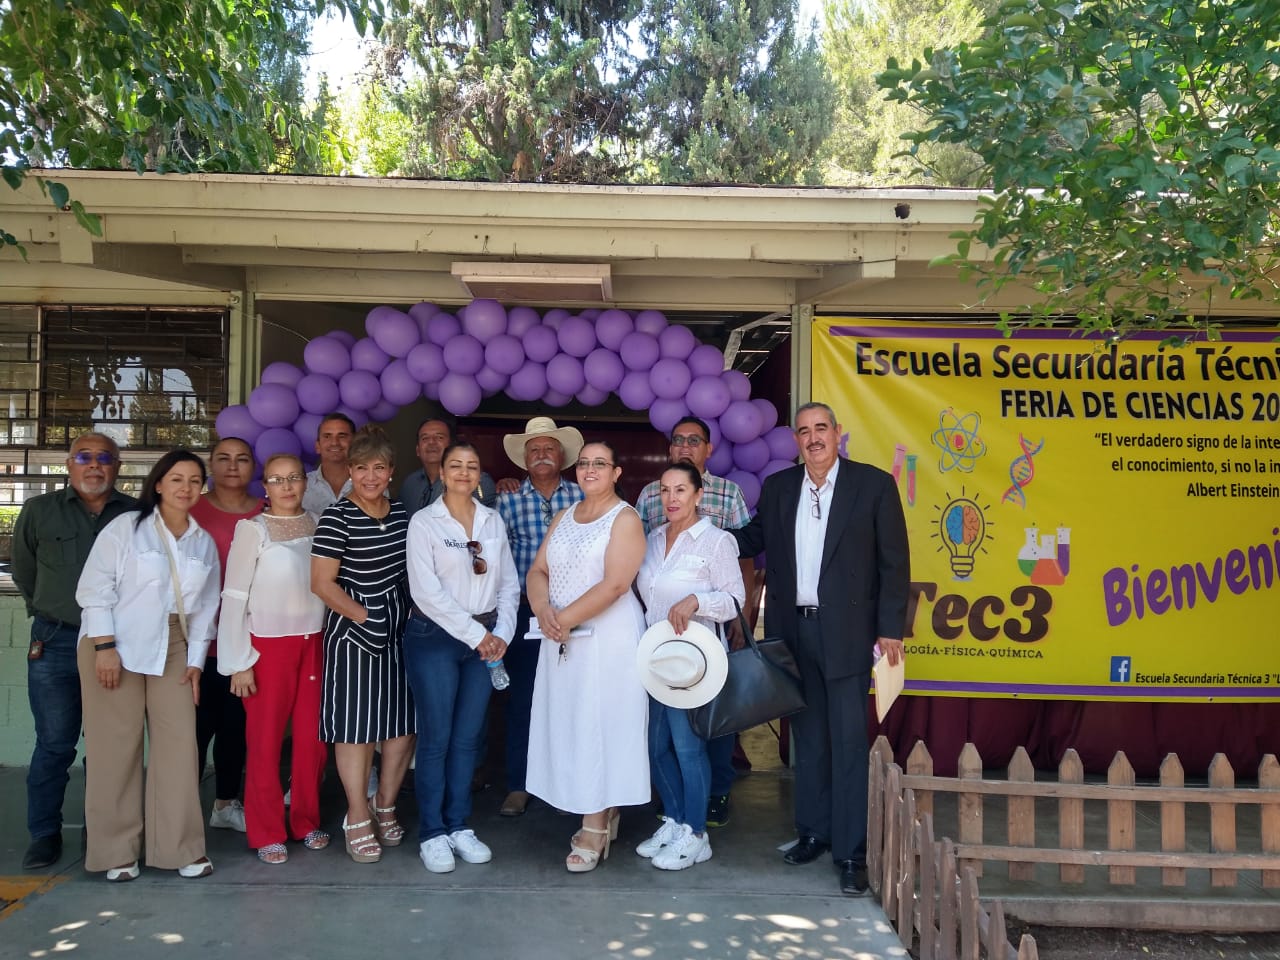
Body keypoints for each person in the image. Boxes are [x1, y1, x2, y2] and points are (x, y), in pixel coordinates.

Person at [731, 402, 909, 897]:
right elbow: (753, 538)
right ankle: (813, 832)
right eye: (804, 431)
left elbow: (895, 563)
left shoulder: (872, 486)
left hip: (849, 632)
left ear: (838, 434)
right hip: (794, 631)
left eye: (821, 429)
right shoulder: (780, 488)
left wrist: (891, 628)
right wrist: (701, 532)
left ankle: (851, 853)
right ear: (795, 441)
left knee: (848, 743)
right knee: (807, 740)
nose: (813, 438)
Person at [76, 449, 221, 881]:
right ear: (158, 483)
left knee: (180, 747)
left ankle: (180, 848)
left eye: (195, 481)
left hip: (174, 646)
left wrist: (196, 663)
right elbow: (95, 589)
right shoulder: (126, 529)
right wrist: (104, 645)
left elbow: (206, 610)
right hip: (116, 642)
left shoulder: (202, 541)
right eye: (177, 479)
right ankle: (116, 852)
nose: (186, 488)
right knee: (115, 750)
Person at [12, 432, 136, 870]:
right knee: (55, 745)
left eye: (105, 458)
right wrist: (48, 611)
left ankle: (99, 832)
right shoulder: (39, 511)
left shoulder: (136, 514)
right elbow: (23, 570)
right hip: (57, 642)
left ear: (118, 466)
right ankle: (44, 834)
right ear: (69, 464)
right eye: (85, 457)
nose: (95, 465)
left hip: (118, 646)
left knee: (109, 747)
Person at [525, 440, 649, 872]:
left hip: (607, 639)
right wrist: (544, 610)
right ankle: (599, 808)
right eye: (585, 463)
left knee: (601, 723)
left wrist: (563, 620)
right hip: (561, 634)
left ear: (617, 473)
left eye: (601, 462)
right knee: (573, 720)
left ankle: (595, 823)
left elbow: (616, 584)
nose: (590, 469)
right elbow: (538, 570)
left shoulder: (626, 518)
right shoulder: (563, 516)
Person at [405, 441, 519, 873]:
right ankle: (432, 832)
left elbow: (508, 583)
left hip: (485, 640)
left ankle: (458, 824)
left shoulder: (492, 520)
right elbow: (425, 591)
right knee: (437, 738)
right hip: (436, 637)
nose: (464, 473)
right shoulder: (424, 522)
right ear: (441, 471)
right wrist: (478, 636)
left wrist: (501, 634)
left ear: (480, 476)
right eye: (456, 465)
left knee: (469, 737)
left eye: (472, 466)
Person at [635, 415, 752, 827]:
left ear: (699, 495)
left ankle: (695, 831)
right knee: (656, 749)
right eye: (666, 490)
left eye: (680, 490)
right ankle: (674, 821)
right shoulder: (650, 540)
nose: (671, 498)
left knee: (688, 749)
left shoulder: (717, 540)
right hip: (653, 657)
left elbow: (734, 597)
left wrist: (696, 600)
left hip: (696, 659)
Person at [310, 424, 415, 864]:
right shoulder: (337, 516)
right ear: (350, 470)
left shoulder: (404, 514)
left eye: (379, 467)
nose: (370, 476)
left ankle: (384, 805)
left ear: (391, 471)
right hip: (353, 634)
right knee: (355, 729)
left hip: (399, 633)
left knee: (399, 727)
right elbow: (321, 583)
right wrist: (365, 617)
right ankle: (356, 814)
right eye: (361, 468)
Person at [217, 453, 329, 864]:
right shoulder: (252, 530)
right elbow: (234, 595)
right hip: (267, 646)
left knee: (312, 741)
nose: (286, 486)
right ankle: (266, 829)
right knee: (263, 743)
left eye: (293, 478)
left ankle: (305, 820)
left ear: (304, 482)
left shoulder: (319, 524)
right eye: (277, 479)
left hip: (313, 642)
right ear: (264, 486)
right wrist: (238, 660)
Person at [494, 416, 584, 817]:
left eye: (549, 448)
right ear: (524, 460)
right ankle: (520, 783)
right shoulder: (506, 500)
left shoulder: (585, 496)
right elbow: (494, 557)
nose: (542, 454)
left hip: (579, 613)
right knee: (524, 698)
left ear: (562, 457)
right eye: (534, 450)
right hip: (524, 612)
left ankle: (571, 781)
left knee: (575, 698)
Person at [190, 436, 263, 835]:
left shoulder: (265, 512)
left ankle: (224, 804)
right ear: (210, 465)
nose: (232, 466)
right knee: (194, 731)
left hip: (246, 645)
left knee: (236, 729)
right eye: (223, 458)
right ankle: (182, 811)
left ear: (254, 466)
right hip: (195, 646)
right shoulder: (189, 509)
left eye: (242, 458)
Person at [400, 417, 497, 515]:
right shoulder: (409, 483)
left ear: (452, 446)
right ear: (418, 450)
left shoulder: (472, 480)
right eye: (425, 438)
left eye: (439, 437)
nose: (432, 442)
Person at [301, 412, 356, 515]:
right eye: (327, 436)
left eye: (342, 436)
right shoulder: (301, 486)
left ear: (354, 443)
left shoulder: (371, 483)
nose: (334, 442)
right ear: (318, 446)